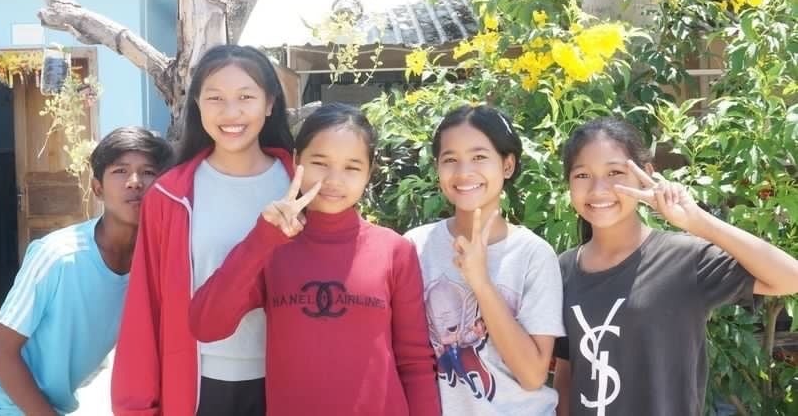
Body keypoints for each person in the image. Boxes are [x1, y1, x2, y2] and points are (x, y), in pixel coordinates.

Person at [190, 102, 441, 416]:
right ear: (297, 161)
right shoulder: (272, 247)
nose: (334, 179)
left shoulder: (394, 251)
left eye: (352, 167)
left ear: (370, 170)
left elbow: (415, 362)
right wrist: (260, 241)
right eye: (320, 163)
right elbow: (206, 324)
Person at [552, 116, 798, 416]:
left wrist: (698, 222)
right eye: (582, 175)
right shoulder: (563, 269)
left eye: (614, 172)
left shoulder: (683, 258)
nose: (598, 189)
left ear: (646, 174)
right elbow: (567, 371)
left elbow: (790, 278)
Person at [111, 45, 295, 416]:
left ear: (270, 103)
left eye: (246, 97)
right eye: (215, 98)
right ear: (196, 104)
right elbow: (146, 307)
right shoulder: (170, 196)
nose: (231, 112)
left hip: (291, 380)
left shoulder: (300, 185)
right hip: (198, 387)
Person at [0, 127, 172, 415]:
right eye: (120, 171)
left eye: (148, 172)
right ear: (97, 189)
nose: (135, 182)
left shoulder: (156, 266)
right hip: (1, 405)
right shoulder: (59, 255)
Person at [405, 104, 565, 415]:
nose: (464, 172)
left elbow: (533, 375)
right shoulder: (416, 246)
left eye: (479, 157)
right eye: (450, 159)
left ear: (507, 165)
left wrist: (480, 281)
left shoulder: (533, 255)